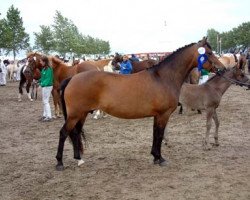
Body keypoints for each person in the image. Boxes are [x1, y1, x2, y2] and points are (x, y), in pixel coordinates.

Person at [39, 55, 54, 122]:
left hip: (47, 86)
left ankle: (49, 116)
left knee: (46, 101)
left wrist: (41, 84)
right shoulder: (44, 69)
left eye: (41, 61)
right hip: (45, 86)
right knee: (44, 101)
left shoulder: (48, 69)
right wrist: (38, 81)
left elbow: (48, 79)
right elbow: (43, 78)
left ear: (44, 62)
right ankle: (45, 115)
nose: (40, 62)